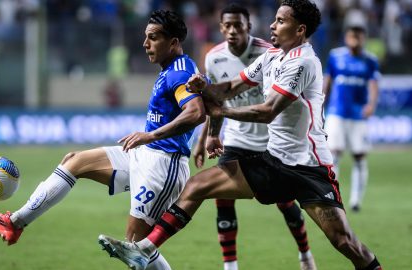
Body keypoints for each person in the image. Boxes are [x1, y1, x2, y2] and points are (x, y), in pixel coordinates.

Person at [98, 1, 383, 270]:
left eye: (281, 21)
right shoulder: (272, 56)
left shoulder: (304, 62)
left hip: (309, 167)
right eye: (274, 19)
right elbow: (232, 87)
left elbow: (267, 111)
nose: (272, 25)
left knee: (344, 242)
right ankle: (144, 249)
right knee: (197, 186)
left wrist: (221, 111)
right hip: (274, 161)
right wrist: (203, 88)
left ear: (300, 30)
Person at [0, 10, 205, 270]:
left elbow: (196, 112)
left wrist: (150, 134)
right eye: (145, 37)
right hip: (145, 154)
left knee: (136, 247)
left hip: (164, 165)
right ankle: (14, 223)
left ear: (173, 42)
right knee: (75, 161)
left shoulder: (179, 72)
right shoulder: (175, 69)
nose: (145, 44)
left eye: (153, 38)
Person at [192, 3, 315, 270]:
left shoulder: (269, 52)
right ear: (221, 27)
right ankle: (230, 267)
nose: (233, 30)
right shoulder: (214, 58)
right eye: (228, 25)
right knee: (221, 196)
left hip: (270, 141)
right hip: (235, 140)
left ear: (249, 26)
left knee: (285, 201)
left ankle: (305, 254)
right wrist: (207, 138)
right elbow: (216, 102)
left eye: (239, 25)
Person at [323, 24, 380, 212]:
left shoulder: (370, 60)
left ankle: (356, 201)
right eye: (351, 36)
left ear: (364, 38)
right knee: (334, 154)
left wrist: (371, 104)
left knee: (359, 156)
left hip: (358, 116)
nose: (355, 40)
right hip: (337, 113)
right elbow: (328, 81)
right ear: (346, 38)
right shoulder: (336, 56)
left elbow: (373, 84)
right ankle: (334, 197)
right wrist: (321, 102)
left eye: (358, 36)